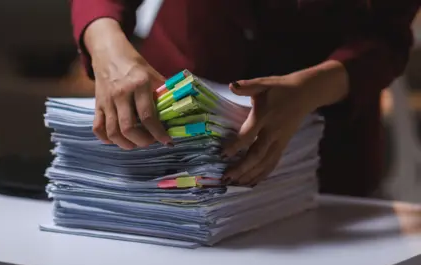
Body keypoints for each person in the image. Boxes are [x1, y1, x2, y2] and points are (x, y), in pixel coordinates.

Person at [70, 0, 420, 196]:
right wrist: (107, 48)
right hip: (168, 138)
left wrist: (311, 89)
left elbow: (387, 38)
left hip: (322, 161)